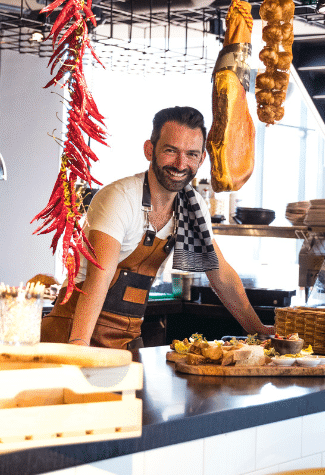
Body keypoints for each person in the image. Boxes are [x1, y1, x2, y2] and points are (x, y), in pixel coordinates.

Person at [41, 106, 275, 349]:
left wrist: (258, 330)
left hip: (124, 341)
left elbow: (221, 277)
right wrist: (79, 345)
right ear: (149, 150)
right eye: (170, 151)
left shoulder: (192, 207)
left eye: (191, 154)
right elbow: (99, 278)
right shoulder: (120, 198)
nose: (180, 164)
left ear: (202, 158)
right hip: (70, 334)